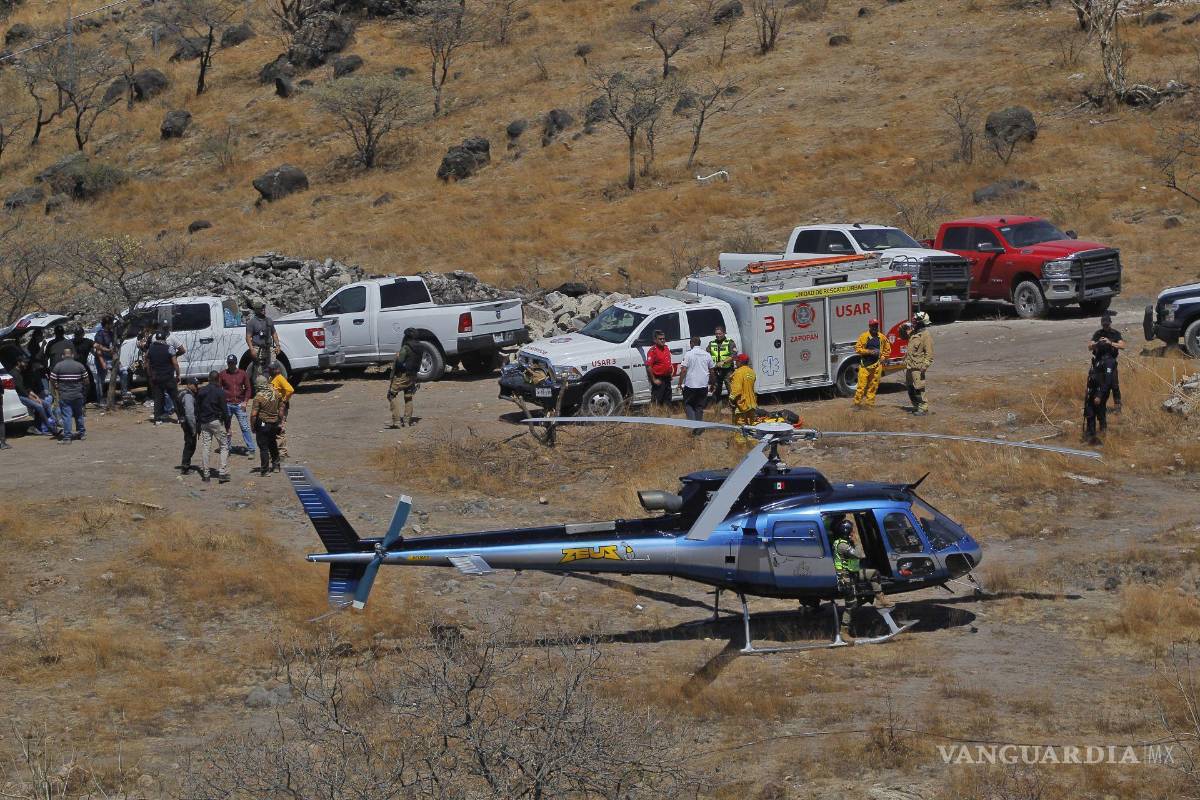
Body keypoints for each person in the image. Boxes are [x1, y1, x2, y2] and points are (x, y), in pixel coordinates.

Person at [50, 346, 90, 444]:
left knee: (67, 416)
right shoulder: (80, 365)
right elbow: (87, 381)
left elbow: (52, 379)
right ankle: (82, 433)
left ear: (63, 356)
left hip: (65, 395)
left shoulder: (58, 366)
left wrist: (56, 386)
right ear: (72, 355)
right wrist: (82, 391)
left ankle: (67, 437)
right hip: (78, 395)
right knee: (79, 415)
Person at [197, 371, 231, 483]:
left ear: (208, 379)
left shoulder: (201, 391)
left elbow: (197, 409)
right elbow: (225, 411)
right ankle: (222, 472)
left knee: (206, 447)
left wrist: (198, 426)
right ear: (218, 379)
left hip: (204, 422)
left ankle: (206, 474)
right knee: (224, 445)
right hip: (216, 422)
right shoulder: (220, 392)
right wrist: (228, 426)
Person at [218, 355, 255, 458]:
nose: (231, 365)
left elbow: (248, 388)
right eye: (229, 363)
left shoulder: (243, 374)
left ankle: (251, 449)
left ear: (236, 363)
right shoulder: (223, 374)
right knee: (226, 427)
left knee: (244, 427)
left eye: (232, 363)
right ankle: (227, 448)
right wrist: (221, 403)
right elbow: (218, 389)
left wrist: (246, 401)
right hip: (227, 404)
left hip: (239, 404)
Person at [1089, 311, 1125, 412]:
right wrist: (1097, 343)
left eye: (1107, 324)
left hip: (1111, 361)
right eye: (1103, 324)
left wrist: (1110, 343)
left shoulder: (1115, 333)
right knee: (1099, 384)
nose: (1105, 326)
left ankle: (1117, 406)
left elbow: (1122, 346)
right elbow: (1089, 346)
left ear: (1110, 323)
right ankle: (1100, 405)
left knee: (1114, 384)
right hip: (1099, 362)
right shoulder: (1098, 334)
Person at [853, 318, 892, 410]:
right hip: (865, 366)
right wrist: (869, 352)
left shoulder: (882, 337)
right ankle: (857, 404)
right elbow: (857, 349)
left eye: (876, 325)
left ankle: (869, 405)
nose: (875, 327)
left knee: (873, 386)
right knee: (861, 386)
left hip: (877, 366)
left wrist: (883, 357)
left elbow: (887, 349)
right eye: (873, 325)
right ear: (869, 326)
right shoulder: (864, 336)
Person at [677, 336, 714, 431]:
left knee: (688, 404)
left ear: (691, 344)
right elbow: (712, 371)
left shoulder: (689, 354)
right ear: (700, 343)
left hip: (691, 385)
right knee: (699, 406)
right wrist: (712, 384)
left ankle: (693, 425)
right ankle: (699, 426)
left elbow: (684, 370)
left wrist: (680, 383)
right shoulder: (707, 355)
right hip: (703, 385)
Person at [11, 357, 55, 436]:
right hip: (19, 397)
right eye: (24, 363)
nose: (26, 365)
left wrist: (36, 397)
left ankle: (54, 423)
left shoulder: (22, 372)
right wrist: (33, 399)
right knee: (39, 407)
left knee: (46, 404)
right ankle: (49, 428)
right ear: (18, 362)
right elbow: (21, 390)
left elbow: (27, 388)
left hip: (26, 395)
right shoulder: (14, 373)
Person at [387, 330, 421, 428]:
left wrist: (397, 357)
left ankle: (396, 421)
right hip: (413, 376)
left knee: (391, 395)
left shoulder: (406, 348)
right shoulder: (420, 348)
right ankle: (406, 421)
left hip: (403, 376)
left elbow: (400, 362)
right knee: (408, 397)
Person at [145, 330, 180, 424]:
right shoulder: (169, 348)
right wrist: (178, 375)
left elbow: (147, 365)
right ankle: (181, 417)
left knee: (158, 398)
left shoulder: (150, 349)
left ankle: (157, 419)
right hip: (168, 377)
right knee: (175, 397)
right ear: (165, 339)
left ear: (156, 338)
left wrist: (150, 376)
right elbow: (175, 364)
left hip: (156, 377)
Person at [903, 311, 934, 416]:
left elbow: (929, 354)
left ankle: (923, 408)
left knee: (919, 387)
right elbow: (903, 335)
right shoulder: (914, 333)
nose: (914, 321)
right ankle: (916, 406)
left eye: (916, 320)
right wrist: (903, 328)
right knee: (909, 387)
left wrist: (924, 367)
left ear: (921, 322)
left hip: (918, 367)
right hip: (910, 365)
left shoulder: (926, 336)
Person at [250, 376, 283, 474]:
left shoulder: (258, 397)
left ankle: (265, 470)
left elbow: (254, 415)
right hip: (274, 424)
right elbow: (281, 409)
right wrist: (281, 422)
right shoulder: (276, 393)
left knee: (263, 447)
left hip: (263, 424)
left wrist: (252, 426)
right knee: (272, 444)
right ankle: (276, 465)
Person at [1084, 345, 1116, 445]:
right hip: (1092, 391)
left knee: (1100, 413)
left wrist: (1100, 395)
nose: (1095, 350)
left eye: (1097, 348)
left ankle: (1103, 436)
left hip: (1100, 392)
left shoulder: (1109, 361)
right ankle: (1090, 437)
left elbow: (1108, 381)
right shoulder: (1098, 360)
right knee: (1089, 413)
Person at [245, 299, 280, 384]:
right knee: (259, 370)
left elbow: (274, 333)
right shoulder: (252, 322)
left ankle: (274, 386)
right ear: (256, 310)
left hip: (268, 347)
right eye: (261, 309)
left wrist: (278, 345)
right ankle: (260, 388)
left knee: (273, 367)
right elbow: (248, 337)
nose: (263, 310)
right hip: (257, 348)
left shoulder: (269, 321)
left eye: (264, 308)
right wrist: (252, 349)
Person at [269, 362, 294, 459]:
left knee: (280, 428)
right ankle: (278, 451)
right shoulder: (272, 378)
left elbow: (290, 390)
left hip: (281, 408)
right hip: (275, 407)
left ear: (276, 370)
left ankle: (282, 453)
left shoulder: (280, 378)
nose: (269, 371)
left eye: (271, 369)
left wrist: (284, 401)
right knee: (275, 429)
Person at [643, 330, 674, 408]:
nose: (663, 340)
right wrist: (653, 380)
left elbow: (668, 362)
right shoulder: (653, 351)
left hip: (667, 379)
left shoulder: (666, 348)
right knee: (657, 401)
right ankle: (656, 417)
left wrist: (671, 371)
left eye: (664, 338)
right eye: (660, 339)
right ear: (655, 340)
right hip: (659, 379)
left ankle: (666, 417)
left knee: (668, 400)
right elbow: (649, 367)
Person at [706, 326, 737, 400]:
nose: (718, 335)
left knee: (731, 392)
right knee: (716, 393)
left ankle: (735, 410)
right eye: (716, 334)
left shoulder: (730, 342)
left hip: (727, 370)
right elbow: (707, 355)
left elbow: (733, 355)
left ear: (724, 333)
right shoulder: (711, 343)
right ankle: (717, 411)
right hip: (716, 371)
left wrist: (723, 362)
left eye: (720, 333)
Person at [728, 353, 757, 428]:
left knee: (740, 428)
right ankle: (752, 439)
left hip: (742, 405)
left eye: (736, 361)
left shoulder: (738, 372)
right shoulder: (752, 372)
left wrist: (731, 399)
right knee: (751, 427)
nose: (735, 363)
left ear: (740, 362)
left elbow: (737, 389)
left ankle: (740, 439)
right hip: (752, 404)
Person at [93, 316, 116, 406]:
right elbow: (98, 349)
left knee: (124, 373)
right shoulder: (100, 334)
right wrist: (102, 362)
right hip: (102, 359)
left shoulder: (112, 333)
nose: (112, 324)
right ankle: (100, 399)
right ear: (107, 324)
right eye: (111, 323)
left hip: (111, 359)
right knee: (100, 380)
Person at [70, 327, 97, 404]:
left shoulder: (87, 342)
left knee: (90, 382)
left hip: (83, 366)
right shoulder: (70, 342)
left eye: (79, 335)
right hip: (73, 367)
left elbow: (94, 347)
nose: (77, 336)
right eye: (76, 335)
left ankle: (90, 399)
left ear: (83, 334)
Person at [178, 377, 199, 474]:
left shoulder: (183, 393)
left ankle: (186, 465)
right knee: (190, 445)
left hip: (184, 422)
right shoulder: (188, 396)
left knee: (189, 444)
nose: (196, 387)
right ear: (189, 384)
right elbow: (190, 414)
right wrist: (194, 428)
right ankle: (185, 467)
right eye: (195, 385)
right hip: (188, 424)